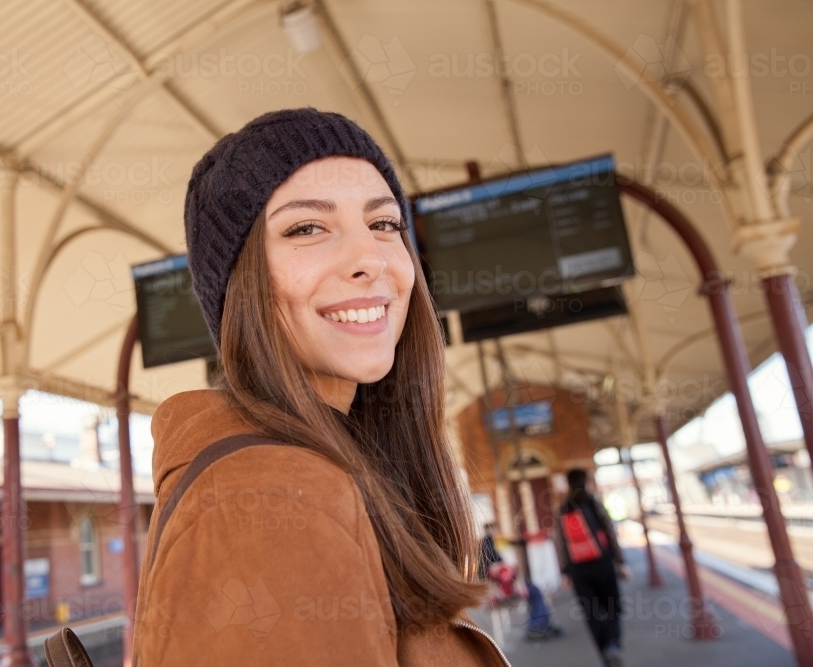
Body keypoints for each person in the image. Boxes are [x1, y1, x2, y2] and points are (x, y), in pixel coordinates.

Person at [132, 108, 508, 666]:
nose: (370, 260)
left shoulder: (329, 471)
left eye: (384, 224)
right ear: (240, 285)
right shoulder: (267, 500)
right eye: (307, 228)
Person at [555, 468, 631, 667]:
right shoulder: (593, 503)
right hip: (602, 563)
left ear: (569, 484)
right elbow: (610, 531)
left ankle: (605, 657)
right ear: (586, 482)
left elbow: (560, 542)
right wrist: (620, 562)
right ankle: (613, 643)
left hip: (579, 570)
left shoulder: (563, 509)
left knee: (592, 614)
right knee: (613, 606)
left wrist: (565, 571)